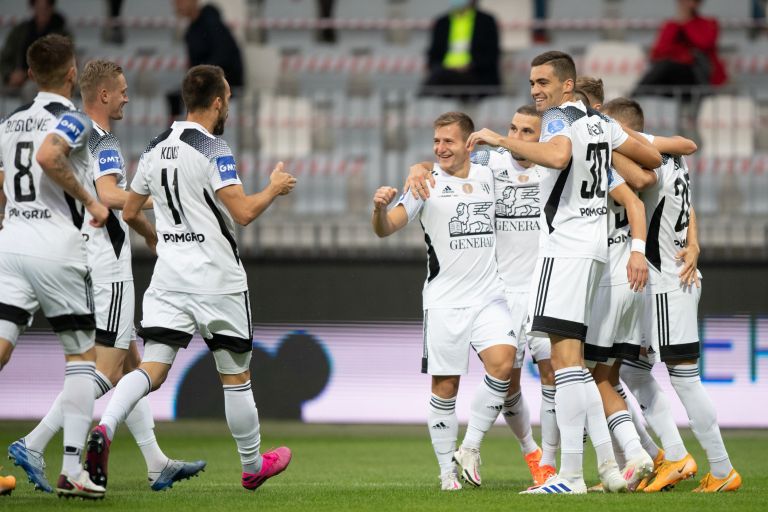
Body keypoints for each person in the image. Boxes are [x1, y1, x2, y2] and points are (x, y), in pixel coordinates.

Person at [86, 64, 296, 492]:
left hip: (169, 279)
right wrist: (274, 187)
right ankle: (252, 465)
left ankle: (105, 426)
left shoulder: (155, 146)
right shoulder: (214, 148)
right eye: (228, 99)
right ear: (218, 102)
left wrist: (158, 229)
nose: (228, 107)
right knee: (235, 377)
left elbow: (129, 210)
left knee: (151, 369)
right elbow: (243, 212)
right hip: (218, 280)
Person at [465, 50, 662, 494]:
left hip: (564, 249)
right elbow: (650, 156)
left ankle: (570, 475)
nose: (536, 91)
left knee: (567, 364)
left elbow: (555, 157)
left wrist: (501, 140)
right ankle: (607, 466)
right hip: (594, 250)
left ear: (567, 85)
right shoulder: (601, 124)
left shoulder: (558, 119)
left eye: (544, 83)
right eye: (532, 83)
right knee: (575, 364)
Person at [9, 59, 206, 494]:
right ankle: (34, 442)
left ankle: (155, 463)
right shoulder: (102, 138)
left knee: (130, 364)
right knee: (108, 367)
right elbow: (111, 194)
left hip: (83, 255)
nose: (127, 98)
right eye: (122, 91)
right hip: (108, 263)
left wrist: (148, 231)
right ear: (103, 95)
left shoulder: (72, 135)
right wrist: (168, 195)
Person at [405, 105, 560, 487]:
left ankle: (549, 464)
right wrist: (416, 168)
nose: (517, 137)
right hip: (501, 288)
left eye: (527, 131)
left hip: (545, 286)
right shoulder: (491, 162)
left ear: (542, 138)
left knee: (555, 375)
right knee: (508, 384)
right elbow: (445, 163)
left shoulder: (554, 166)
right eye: (513, 129)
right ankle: (529, 450)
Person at [603, 97, 742, 493]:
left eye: (608, 128)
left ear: (624, 129)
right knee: (633, 370)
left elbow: (642, 183)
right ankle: (675, 456)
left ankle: (722, 470)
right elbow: (687, 203)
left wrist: (606, 147)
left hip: (667, 280)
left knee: (685, 379)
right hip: (672, 276)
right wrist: (694, 242)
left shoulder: (646, 158)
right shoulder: (672, 157)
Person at [373, 112, 517, 491]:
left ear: (468, 144)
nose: (440, 148)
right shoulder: (425, 183)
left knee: (504, 364)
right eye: (436, 141)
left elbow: (523, 158)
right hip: (444, 301)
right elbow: (387, 228)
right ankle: (446, 473)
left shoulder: (489, 172)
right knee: (446, 387)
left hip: (489, 295)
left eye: (448, 141)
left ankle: (470, 447)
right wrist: (378, 210)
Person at [0, 33, 108, 499]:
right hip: (56, 246)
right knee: (82, 357)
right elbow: (48, 155)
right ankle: (72, 470)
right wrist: (90, 200)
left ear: (29, 73)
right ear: (72, 73)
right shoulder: (73, 119)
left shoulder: (9, 122)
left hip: (10, 244)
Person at [168, 0, 244, 118]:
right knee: (175, 96)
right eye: (175, 2)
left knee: (184, 96)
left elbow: (224, 54)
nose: (177, 5)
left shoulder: (210, 22)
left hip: (225, 80)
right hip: (208, 80)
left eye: (181, 1)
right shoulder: (191, 30)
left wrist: (200, 76)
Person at [634, 0, 727, 95]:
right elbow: (657, 52)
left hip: (699, 77)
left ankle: (632, 97)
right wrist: (677, 25)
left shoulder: (709, 23)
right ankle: (633, 98)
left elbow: (704, 44)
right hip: (673, 76)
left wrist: (686, 22)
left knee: (666, 66)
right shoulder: (671, 25)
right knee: (662, 68)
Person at [421, 0, 501, 99]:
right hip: (445, 73)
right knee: (438, 76)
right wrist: (447, 67)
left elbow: (491, 55)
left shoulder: (486, 21)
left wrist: (469, 66)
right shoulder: (442, 22)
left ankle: (419, 100)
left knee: (436, 79)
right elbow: (433, 56)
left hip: (476, 75)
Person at [0, 0, 71, 93]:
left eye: (45, 8)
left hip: (45, 79)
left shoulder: (61, 33)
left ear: (51, 8)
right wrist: (9, 75)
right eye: (38, 8)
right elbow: (5, 57)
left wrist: (27, 75)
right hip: (18, 74)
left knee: (30, 89)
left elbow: (62, 63)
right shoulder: (21, 31)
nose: (42, 12)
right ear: (33, 8)